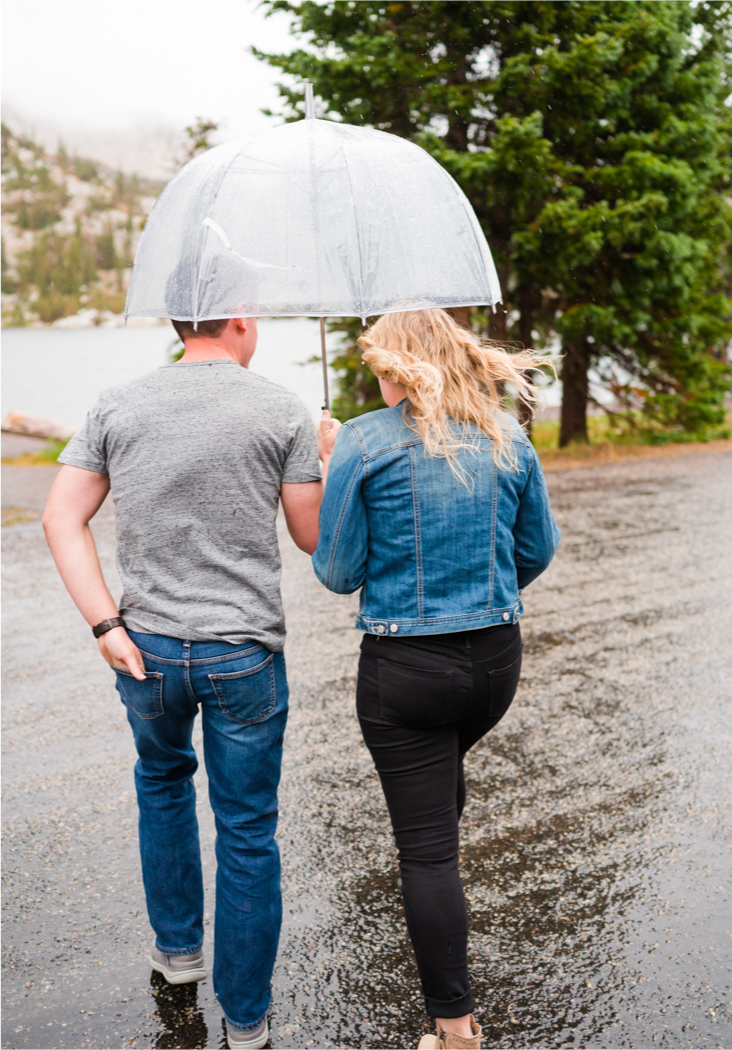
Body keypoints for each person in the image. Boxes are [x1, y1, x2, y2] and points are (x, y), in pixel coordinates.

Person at [43, 314, 337, 1050]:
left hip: (147, 653)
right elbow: (314, 537)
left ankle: (178, 956)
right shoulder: (280, 408)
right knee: (246, 829)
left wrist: (106, 626)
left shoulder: (118, 403)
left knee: (163, 782)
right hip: (242, 653)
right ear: (240, 320)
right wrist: (329, 457)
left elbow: (60, 517)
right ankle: (245, 1021)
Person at [312, 308, 558, 1050]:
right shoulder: (506, 435)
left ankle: (454, 1026)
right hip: (494, 666)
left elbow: (337, 571)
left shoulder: (360, 441)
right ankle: (442, 924)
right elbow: (537, 551)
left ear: (390, 365)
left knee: (426, 853)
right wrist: (481, 591)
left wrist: (333, 473)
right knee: (438, 796)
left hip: (406, 671)